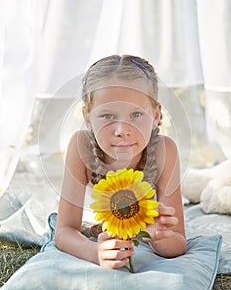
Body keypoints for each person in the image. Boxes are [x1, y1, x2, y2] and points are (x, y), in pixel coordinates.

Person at [55, 54, 187, 270]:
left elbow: (177, 244)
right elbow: (64, 231)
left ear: (156, 115)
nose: (121, 131)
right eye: (107, 116)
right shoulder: (81, 147)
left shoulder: (165, 150)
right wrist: (94, 252)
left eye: (136, 114)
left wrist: (157, 235)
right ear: (87, 117)